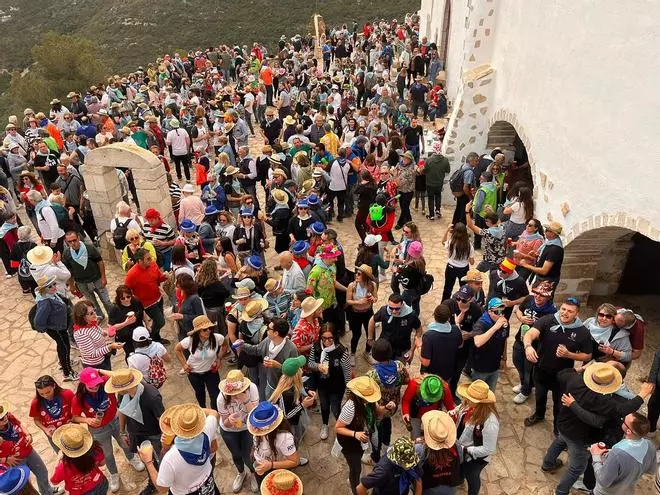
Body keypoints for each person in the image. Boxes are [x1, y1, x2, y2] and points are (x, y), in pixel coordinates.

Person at [541, 363, 650, 495]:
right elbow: (622, 409)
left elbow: (562, 373)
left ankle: (547, 464)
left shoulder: (574, 379)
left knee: (560, 440)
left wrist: (581, 369)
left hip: (563, 424)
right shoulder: (602, 400)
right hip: (578, 437)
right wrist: (642, 394)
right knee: (576, 468)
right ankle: (561, 492)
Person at [522, 298, 593, 432]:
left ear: (576, 314)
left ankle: (557, 427)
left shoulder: (582, 332)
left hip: (563, 375)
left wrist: (569, 354)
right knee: (540, 396)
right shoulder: (548, 320)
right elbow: (530, 333)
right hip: (541, 368)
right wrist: (528, 346)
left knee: (559, 404)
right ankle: (539, 415)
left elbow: (587, 355)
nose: (565, 313)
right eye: (563, 309)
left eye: (570, 311)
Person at [72, 368, 145, 492]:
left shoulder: (105, 382)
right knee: (107, 453)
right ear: (83, 384)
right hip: (98, 430)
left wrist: (99, 370)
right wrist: (87, 421)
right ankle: (114, 474)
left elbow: (118, 375)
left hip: (115, 420)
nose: (96, 386)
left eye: (97, 382)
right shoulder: (78, 398)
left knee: (125, 442)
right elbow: (74, 417)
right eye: (91, 385)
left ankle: (132, 458)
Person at [140, 404, 221, 495]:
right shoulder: (208, 430)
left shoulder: (170, 458)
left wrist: (148, 462)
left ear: (176, 429)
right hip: (208, 486)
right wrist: (190, 413)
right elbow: (213, 413)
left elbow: (162, 489)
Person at [109, 368, 165, 495]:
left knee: (162, 459)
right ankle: (153, 483)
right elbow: (122, 410)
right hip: (135, 433)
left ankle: (165, 484)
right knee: (147, 461)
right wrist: (122, 431)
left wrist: (166, 443)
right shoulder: (123, 393)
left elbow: (162, 421)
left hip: (154, 434)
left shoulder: (152, 397)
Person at [511, 280, 557, 404]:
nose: (537, 296)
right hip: (520, 338)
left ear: (548, 297)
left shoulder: (551, 311)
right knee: (517, 361)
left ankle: (526, 390)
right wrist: (521, 318)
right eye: (536, 292)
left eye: (541, 295)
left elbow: (551, 333)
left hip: (536, 345)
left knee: (528, 369)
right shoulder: (529, 299)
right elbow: (519, 310)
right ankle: (524, 384)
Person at [365, 338, 409, 464]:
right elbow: (407, 380)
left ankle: (375, 456)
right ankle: (386, 447)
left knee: (376, 431)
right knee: (387, 424)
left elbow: (367, 395)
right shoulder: (399, 366)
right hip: (393, 406)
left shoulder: (372, 374)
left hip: (378, 409)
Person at [335, 376, 381, 495]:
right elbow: (338, 428)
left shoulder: (367, 403)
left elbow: (378, 411)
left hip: (360, 441)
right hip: (350, 444)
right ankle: (356, 490)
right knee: (355, 469)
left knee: (357, 465)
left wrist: (387, 407)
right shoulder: (350, 407)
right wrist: (355, 434)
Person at [590, 412, 656, 495]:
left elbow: (603, 481)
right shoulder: (650, 445)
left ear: (628, 431)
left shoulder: (617, 454)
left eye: (623, 420)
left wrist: (595, 456)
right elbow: (651, 471)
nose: (622, 419)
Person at [217, 370, 260, 493]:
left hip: (248, 427)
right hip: (229, 430)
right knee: (236, 454)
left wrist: (245, 400)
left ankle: (253, 474)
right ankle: (241, 473)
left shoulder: (252, 389)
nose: (235, 395)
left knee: (248, 454)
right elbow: (225, 422)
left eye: (238, 392)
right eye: (233, 393)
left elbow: (255, 416)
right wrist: (229, 420)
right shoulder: (221, 398)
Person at [308, 322, 352, 441]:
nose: (327, 341)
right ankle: (325, 425)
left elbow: (347, 373)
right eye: (324, 338)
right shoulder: (316, 347)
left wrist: (349, 394)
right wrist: (318, 367)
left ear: (335, 337)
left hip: (337, 386)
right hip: (322, 384)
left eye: (330, 338)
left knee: (336, 408)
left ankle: (340, 428)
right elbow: (310, 363)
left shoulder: (341, 352)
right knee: (324, 406)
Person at [455, 380, 500, 495]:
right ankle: (460, 479)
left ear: (480, 403)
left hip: (474, 459)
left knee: (472, 476)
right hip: (462, 448)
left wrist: (466, 449)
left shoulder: (490, 422)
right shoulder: (469, 404)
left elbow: (488, 449)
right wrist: (453, 412)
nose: (465, 400)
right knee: (461, 468)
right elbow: (459, 409)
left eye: (469, 399)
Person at [0, 401, 54, 495]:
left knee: (42, 472)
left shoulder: (9, 417)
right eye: (1, 418)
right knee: (26, 486)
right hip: (16, 461)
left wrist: (28, 434)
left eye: (4, 414)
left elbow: (20, 424)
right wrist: (6, 459)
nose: (5, 418)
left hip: (28, 450)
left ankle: (47, 492)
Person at [33, 275, 77, 380]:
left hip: (60, 327)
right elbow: (38, 321)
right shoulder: (45, 302)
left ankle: (64, 362)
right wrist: (49, 328)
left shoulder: (52, 295)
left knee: (62, 346)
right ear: (44, 290)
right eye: (49, 286)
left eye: (53, 284)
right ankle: (67, 372)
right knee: (64, 347)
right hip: (57, 329)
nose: (53, 287)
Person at [175, 315, 224, 409]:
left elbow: (225, 345)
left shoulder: (217, 338)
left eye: (210, 328)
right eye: (204, 329)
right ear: (198, 331)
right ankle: (203, 410)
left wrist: (219, 358)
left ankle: (215, 414)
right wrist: (184, 365)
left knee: (215, 395)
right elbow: (177, 349)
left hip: (211, 371)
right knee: (200, 394)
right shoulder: (189, 341)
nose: (208, 331)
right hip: (194, 373)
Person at [62, 230, 112, 321]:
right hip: (81, 283)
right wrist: (72, 285)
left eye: (74, 240)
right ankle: (99, 317)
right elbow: (68, 271)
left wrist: (103, 277)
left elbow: (100, 261)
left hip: (96, 279)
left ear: (78, 238)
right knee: (92, 303)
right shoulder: (67, 254)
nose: (73, 243)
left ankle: (113, 316)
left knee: (106, 300)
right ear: (66, 242)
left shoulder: (90, 248)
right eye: (70, 241)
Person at [247, 401, 300, 486]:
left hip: (276, 470)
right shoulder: (256, 429)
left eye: (259, 426)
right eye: (255, 424)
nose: (254, 429)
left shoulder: (284, 438)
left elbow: (294, 461)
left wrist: (270, 465)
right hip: (260, 465)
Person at [124, 248, 168, 344]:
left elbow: (159, 278)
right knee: (160, 321)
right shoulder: (132, 274)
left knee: (158, 321)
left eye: (150, 257)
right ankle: (150, 337)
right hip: (147, 304)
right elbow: (126, 290)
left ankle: (156, 338)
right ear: (140, 261)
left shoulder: (153, 264)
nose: (151, 260)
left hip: (158, 298)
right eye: (148, 259)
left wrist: (165, 277)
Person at [50, 423, 108, 495]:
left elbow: (54, 482)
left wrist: (58, 459)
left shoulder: (63, 466)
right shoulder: (96, 450)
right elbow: (102, 463)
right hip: (100, 484)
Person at [416, 410, 463, 495]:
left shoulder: (420, 449)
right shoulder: (456, 444)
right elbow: (461, 460)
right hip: (450, 486)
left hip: (430, 488)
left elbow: (417, 470)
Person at [356, 436, 422, 495]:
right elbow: (360, 488)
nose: (411, 466)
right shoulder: (383, 471)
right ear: (397, 461)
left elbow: (418, 480)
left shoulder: (411, 458)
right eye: (407, 464)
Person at [368, 294, 422, 364]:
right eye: (391, 308)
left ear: (402, 305)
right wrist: (370, 338)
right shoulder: (384, 310)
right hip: (385, 348)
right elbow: (372, 320)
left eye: (397, 309)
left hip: (402, 349)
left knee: (399, 370)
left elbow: (419, 330)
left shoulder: (410, 315)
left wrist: (412, 350)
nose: (393, 311)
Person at [470, 297, 509, 392]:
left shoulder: (504, 323)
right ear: (489, 311)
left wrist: (504, 358)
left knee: (490, 393)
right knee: (477, 394)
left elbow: (504, 340)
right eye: (497, 312)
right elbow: (478, 342)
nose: (501, 315)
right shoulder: (482, 323)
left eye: (502, 312)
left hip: (495, 366)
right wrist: (495, 327)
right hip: (481, 367)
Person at [72, 299, 123, 370]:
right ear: (82, 317)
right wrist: (110, 346)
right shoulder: (81, 334)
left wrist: (108, 331)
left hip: (103, 357)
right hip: (96, 365)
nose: (95, 314)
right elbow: (92, 354)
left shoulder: (90, 323)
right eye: (91, 313)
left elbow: (101, 332)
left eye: (94, 310)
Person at [30, 375, 76, 453]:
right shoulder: (36, 403)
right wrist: (45, 430)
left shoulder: (67, 394)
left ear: (54, 386)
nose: (46, 396)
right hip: (54, 435)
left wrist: (74, 421)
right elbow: (36, 420)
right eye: (41, 394)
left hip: (71, 431)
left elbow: (76, 410)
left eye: (48, 392)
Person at [402, 374, 455, 440]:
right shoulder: (414, 384)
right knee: (415, 438)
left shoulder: (445, 388)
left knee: (432, 438)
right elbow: (406, 400)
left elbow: (451, 409)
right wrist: (406, 413)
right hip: (415, 413)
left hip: (433, 416)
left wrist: (451, 416)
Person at [420, 303, 462, 386]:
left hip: (431, 376)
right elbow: (460, 345)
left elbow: (425, 362)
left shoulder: (429, 336)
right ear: (449, 318)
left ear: (434, 316)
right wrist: (457, 325)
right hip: (447, 372)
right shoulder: (455, 330)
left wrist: (418, 346)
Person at [346, 264, 378, 363]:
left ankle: (367, 353)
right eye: (356, 273)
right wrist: (358, 302)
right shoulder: (352, 286)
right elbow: (348, 301)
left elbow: (376, 298)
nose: (356, 275)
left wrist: (373, 298)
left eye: (359, 274)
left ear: (365, 276)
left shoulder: (372, 285)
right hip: (355, 313)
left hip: (368, 313)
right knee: (356, 334)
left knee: (371, 335)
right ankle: (353, 353)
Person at [518, 221, 564, 285]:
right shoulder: (550, 242)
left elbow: (544, 271)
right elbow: (546, 257)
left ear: (553, 233)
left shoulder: (554, 249)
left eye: (547, 230)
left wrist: (525, 265)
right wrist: (537, 255)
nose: (545, 232)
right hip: (542, 279)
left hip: (546, 282)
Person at [107, 285, 144, 359]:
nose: (126, 299)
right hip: (125, 337)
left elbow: (142, 312)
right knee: (131, 355)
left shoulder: (136, 301)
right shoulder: (114, 309)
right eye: (123, 298)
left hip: (139, 332)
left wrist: (147, 324)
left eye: (128, 296)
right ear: (118, 298)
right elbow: (112, 328)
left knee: (142, 351)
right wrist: (126, 323)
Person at [465, 207, 506, 272]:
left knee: (476, 274)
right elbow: (497, 220)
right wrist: (491, 212)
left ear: (488, 222)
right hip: (500, 259)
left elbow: (470, 225)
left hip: (489, 261)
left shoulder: (487, 233)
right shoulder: (502, 227)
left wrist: (467, 211)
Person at [441, 223, 474, 301]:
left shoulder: (451, 243)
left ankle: (444, 305)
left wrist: (447, 230)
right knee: (464, 289)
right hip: (463, 269)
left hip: (450, 268)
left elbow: (443, 242)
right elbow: (472, 262)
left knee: (447, 288)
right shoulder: (469, 246)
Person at [423, 142, 450, 220]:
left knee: (431, 198)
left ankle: (431, 215)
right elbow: (447, 170)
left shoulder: (428, 160)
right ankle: (438, 210)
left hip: (429, 183)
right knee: (438, 196)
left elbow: (424, 171)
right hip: (439, 182)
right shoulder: (445, 160)